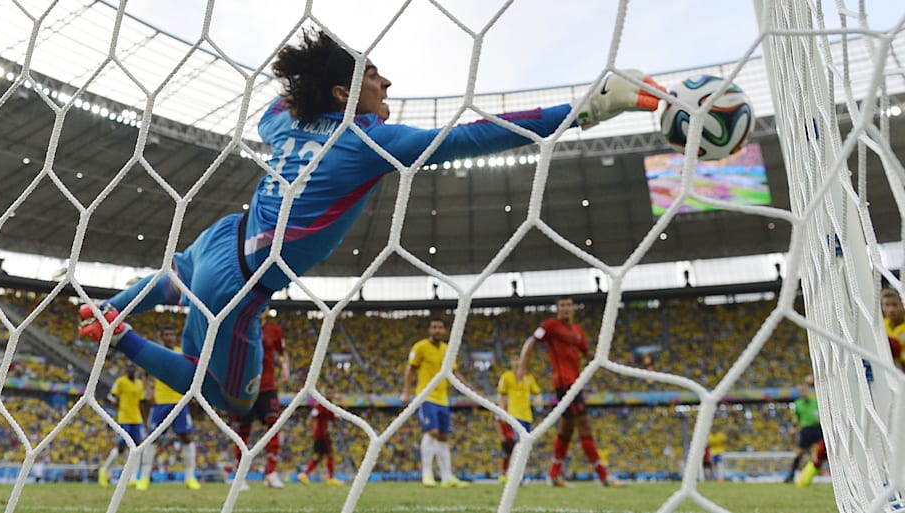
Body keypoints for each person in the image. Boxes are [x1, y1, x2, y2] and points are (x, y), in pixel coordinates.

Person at [77, 28, 664, 414]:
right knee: (229, 397)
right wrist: (585, 108)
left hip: (217, 240)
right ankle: (119, 334)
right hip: (244, 282)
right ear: (344, 93)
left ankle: (112, 308)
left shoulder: (284, 125)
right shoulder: (367, 142)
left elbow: (278, 108)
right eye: (376, 77)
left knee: (173, 276)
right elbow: (473, 135)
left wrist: (320, 86)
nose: (387, 84)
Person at [516, 296, 620, 487]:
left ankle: (554, 475)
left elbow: (586, 352)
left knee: (566, 430)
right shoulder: (550, 326)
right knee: (584, 426)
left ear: (574, 309)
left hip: (577, 384)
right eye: (561, 306)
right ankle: (603, 476)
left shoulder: (578, 331)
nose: (565, 309)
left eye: (568, 305)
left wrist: (604, 360)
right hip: (564, 385)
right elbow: (532, 341)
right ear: (557, 309)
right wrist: (522, 366)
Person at [400, 318, 471, 488]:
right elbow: (410, 369)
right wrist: (406, 391)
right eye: (434, 327)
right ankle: (427, 474)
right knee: (432, 431)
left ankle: (447, 478)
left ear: (445, 331)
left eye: (440, 327)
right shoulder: (420, 347)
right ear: (429, 330)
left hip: (443, 398)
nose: (437, 330)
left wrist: (468, 388)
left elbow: (454, 372)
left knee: (443, 436)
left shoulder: (447, 349)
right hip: (426, 396)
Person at [228, 311, 291, 489]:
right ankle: (240, 476)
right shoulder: (241, 326)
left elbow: (281, 353)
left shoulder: (274, 330)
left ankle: (271, 473)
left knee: (273, 424)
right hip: (244, 387)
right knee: (243, 430)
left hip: (267, 387)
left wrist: (285, 368)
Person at [136, 327, 201, 491]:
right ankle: (144, 477)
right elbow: (145, 374)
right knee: (153, 438)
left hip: (180, 401)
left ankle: (189, 477)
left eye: (171, 334)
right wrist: (148, 391)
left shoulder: (183, 353)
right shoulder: (156, 353)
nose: (169, 337)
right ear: (161, 336)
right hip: (160, 402)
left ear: (176, 337)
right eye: (166, 334)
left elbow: (193, 372)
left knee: (186, 437)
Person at [99, 365, 146, 487]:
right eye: (129, 369)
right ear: (126, 371)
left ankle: (133, 477)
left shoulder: (140, 384)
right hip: (124, 418)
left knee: (138, 447)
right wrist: (115, 407)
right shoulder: (121, 381)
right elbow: (111, 396)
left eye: (133, 369)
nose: (132, 371)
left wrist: (144, 419)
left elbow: (141, 402)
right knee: (121, 447)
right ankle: (104, 470)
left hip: (137, 419)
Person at [495, 356, 540, 483]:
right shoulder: (506, 376)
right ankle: (513, 475)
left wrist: (538, 399)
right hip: (514, 415)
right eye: (514, 359)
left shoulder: (528, 378)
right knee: (518, 444)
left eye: (519, 359)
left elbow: (536, 392)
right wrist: (502, 412)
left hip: (527, 416)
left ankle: (518, 474)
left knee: (525, 446)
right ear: (511, 362)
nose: (517, 362)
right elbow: (501, 395)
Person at [784, 375, 824, 485]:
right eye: (800, 391)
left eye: (804, 390)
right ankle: (791, 475)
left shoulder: (816, 400)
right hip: (806, 430)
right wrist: (793, 427)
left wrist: (821, 418)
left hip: (818, 429)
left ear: (807, 390)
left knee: (826, 451)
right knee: (799, 453)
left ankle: (839, 474)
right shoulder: (798, 404)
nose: (802, 393)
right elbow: (796, 418)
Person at [297, 400, 344, 486]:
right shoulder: (321, 405)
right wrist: (310, 429)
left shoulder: (327, 406)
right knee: (330, 454)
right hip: (323, 435)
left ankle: (304, 475)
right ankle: (331, 478)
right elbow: (313, 416)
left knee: (318, 457)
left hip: (319, 435)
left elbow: (333, 419)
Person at [881, 288, 905, 371]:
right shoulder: (880, 326)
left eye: (895, 305)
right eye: (887, 305)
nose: (891, 310)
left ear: (902, 305)